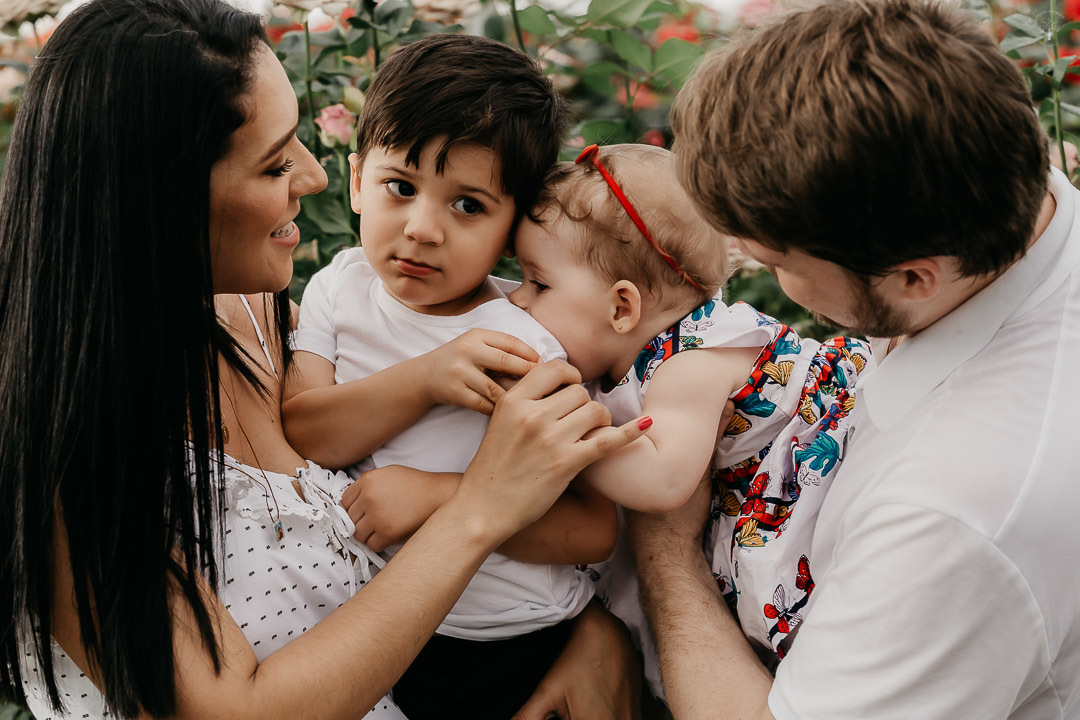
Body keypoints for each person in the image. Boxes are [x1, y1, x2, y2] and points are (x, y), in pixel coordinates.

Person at [0, 2, 648, 718]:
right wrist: (474, 510)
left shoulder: (266, 317)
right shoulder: (61, 443)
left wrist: (583, 633)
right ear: (159, 194)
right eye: (276, 161)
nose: (315, 176)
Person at [629, 0, 1080, 717]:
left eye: (777, 262)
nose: (749, 262)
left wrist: (662, 544)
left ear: (914, 278)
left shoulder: (954, 513)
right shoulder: (996, 210)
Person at [280, 34, 625, 719]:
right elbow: (307, 430)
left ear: (513, 229)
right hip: (389, 631)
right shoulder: (340, 287)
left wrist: (436, 498)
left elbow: (592, 528)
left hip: (523, 638)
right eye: (401, 187)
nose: (423, 228)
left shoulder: (524, 343)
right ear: (357, 180)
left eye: (468, 205)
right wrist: (426, 378)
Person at [501, 143, 871, 693]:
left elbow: (663, 481)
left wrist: (553, 431)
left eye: (538, 283)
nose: (518, 301)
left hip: (802, 489)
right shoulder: (633, 360)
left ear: (622, 308)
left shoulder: (689, 363)